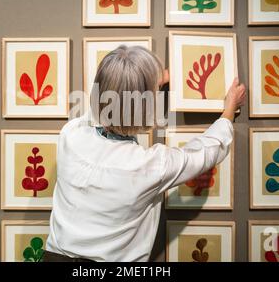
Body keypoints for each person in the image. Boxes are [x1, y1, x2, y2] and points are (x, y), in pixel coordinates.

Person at [44, 45, 246, 262]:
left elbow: (106, 100)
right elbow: (208, 150)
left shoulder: (71, 134)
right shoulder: (151, 166)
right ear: (146, 107)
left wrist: (144, 82)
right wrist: (228, 110)